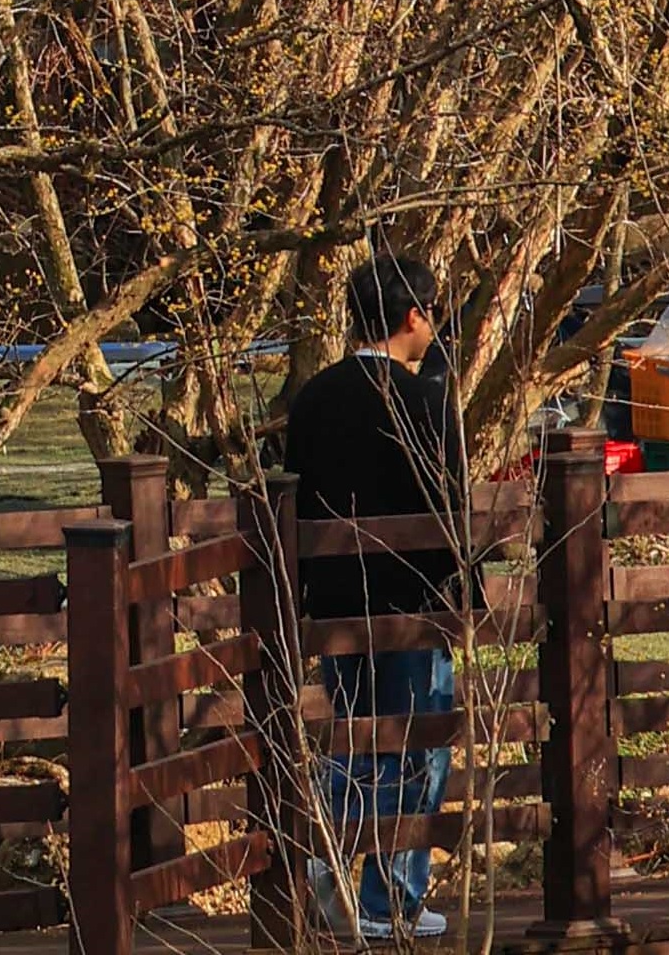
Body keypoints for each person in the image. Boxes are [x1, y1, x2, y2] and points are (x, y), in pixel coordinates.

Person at [280, 252, 476, 943]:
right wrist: (463, 594)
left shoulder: (313, 398)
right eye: (432, 312)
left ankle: (326, 854)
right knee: (416, 744)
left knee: (355, 737)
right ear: (412, 315)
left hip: (334, 605)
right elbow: (450, 512)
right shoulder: (425, 401)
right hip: (409, 606)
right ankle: (388, 894)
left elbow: (294, 502)